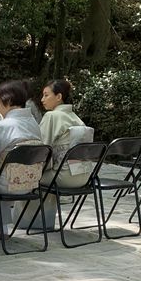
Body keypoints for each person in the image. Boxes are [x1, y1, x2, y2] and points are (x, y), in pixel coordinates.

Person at [0, 80, 45, 241]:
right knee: (2, 170)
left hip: (7, 184)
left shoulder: (4, 126)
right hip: (30, 183)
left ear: (8, 101)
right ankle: (2, 228)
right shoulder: (34, 124)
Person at [38, 78, 93, 230]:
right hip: (84, 176)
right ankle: (44, 220)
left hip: (62, 177)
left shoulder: (52, 116)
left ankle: (33, 222)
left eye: (46, 95)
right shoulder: (76, 118)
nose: (42, 99)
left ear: (59, 97)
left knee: (28, 176)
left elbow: (41, 148)